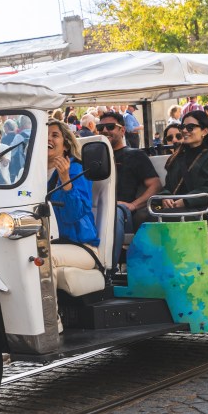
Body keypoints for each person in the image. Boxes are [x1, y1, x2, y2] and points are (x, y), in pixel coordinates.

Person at [96, 111, 162, 266]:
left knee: (114, 211)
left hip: (122, 213)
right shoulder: (94, 158)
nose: (105, 131)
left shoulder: (135, 155)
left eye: (111, 127)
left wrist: (133, 205)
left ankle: (107, 269)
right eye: (100, 128)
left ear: (122, 130)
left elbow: (156, 185)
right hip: (97, 209)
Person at [159, 110, 208, 239]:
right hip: (177, 210)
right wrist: (166, 198)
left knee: (167, 219)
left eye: (190, 127)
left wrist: (187, 201)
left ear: (205, 131)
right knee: (143, 217)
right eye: (182, 127)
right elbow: (168, 187)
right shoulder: (177, 157)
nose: (185, 131)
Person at [46, 119, 101, 292]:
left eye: (54, 135)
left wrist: (65, 180)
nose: (48, 139)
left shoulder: (77, 170)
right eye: (43, 136)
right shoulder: (29, 174)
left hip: (81, 246)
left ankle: (50, 320)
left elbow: (74, 214)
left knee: (42, 258)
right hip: (47, 243)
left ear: (66, 145)